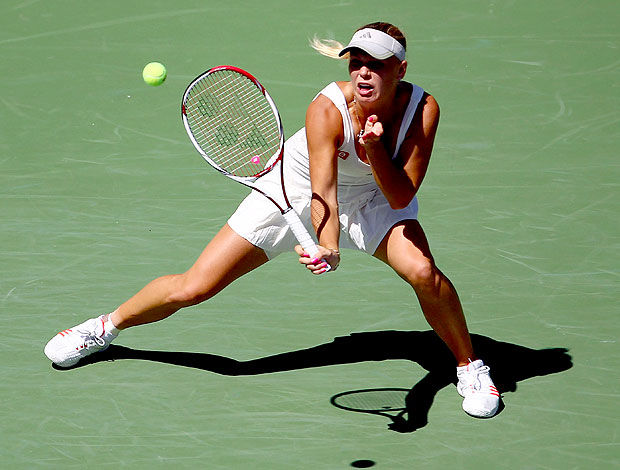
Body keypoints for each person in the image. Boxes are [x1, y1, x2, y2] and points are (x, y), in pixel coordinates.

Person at [44, 22, 500, 419]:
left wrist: (376, 148)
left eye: (376, 64)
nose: (363, 72)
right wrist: (330, 247)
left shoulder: (423, 109)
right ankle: (104, 328)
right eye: (356, 62)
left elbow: (402, 193)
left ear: (400, 70)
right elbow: (322, 190)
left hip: (375, 197)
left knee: (423, 271)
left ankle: (469, 366)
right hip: (295, 187)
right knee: (196, 286)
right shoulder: (326, 108)